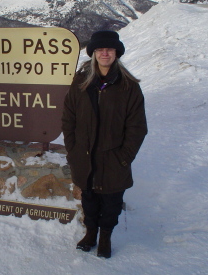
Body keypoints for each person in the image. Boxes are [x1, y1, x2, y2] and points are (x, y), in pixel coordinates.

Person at [61, 30, 147, 258]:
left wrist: (124, 157)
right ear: (93, 53)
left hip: (113, 158)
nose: (104, 53)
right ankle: (90, 234)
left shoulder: (128, 86)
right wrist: (73, 149)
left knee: (110, 203)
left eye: (109, 49)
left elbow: (137, 128)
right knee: (89, 199)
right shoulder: (81, 81)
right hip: (84, 155)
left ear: (116, 53)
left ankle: (105, 237)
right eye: (100, 49)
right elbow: (68, 117)